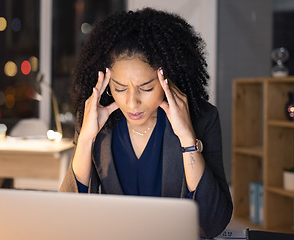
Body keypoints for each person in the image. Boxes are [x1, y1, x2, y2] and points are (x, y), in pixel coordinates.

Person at [60, 7, 233, 239]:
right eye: (120, 88)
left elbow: (212, 223)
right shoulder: (96, 120)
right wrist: (86, 139)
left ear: (167, 80)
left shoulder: (202, 118)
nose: (132, 103)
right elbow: (67, 216)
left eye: (147, 88)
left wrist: (187, 139)